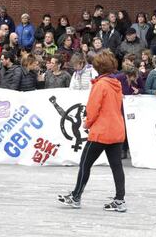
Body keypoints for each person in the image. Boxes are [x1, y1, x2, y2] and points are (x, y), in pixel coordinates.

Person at [57, 50, 127, 212]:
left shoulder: (100, 84)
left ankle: (76, 196)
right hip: (116, 130)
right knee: (117, 166)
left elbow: (92, 109)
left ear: (98, 68)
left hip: (101, 132)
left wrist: (87, 124)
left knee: (85, 164)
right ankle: (119, 200)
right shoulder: (116, 84)